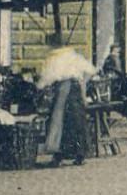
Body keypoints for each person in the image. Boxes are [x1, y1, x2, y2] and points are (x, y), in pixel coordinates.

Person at [38, 39, 93, 167]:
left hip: (63, 91)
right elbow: (90, 71)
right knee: (77, 122)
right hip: (76, 91)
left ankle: (59, 156)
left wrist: (40, 86)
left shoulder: (54, 59)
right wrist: (82, 82)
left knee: (59, 122)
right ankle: (80, 155)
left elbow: (46, 78)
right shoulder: (74, 56)